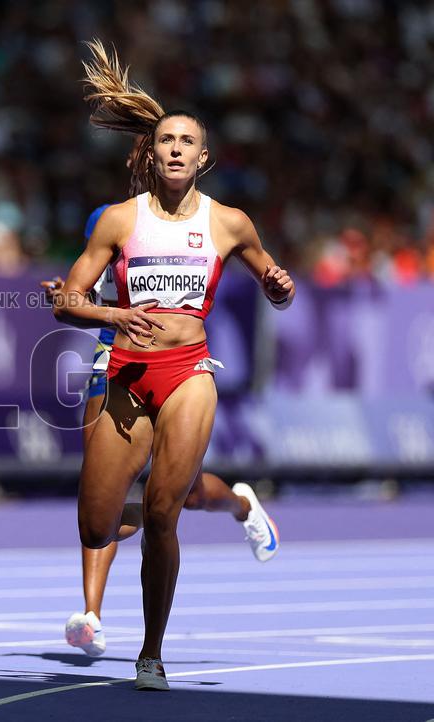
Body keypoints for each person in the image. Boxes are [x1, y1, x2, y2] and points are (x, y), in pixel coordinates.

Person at [52, 41, 294, 690]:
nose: (178, 149)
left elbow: (270, 274)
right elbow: (69, 303)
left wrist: (277, 286)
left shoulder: (230, 223)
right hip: (126, 374)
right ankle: (239, 502)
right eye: (167, 141)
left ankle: (151, 652)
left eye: (189, 140)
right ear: (152, 155)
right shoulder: (118, 222)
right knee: (97, 523)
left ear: (204, 157)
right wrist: (109, 317)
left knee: (162, 512)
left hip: (189, 373)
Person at [43, 200, 278, 660]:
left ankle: (240, 502)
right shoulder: (111, 218)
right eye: (148, 150)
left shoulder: (200, 218)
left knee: (178, 498)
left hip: (177, 364)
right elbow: (87, 291)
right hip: (113, 357)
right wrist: (78, 300)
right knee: (101, 496)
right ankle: (92, 613)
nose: (149, 159)